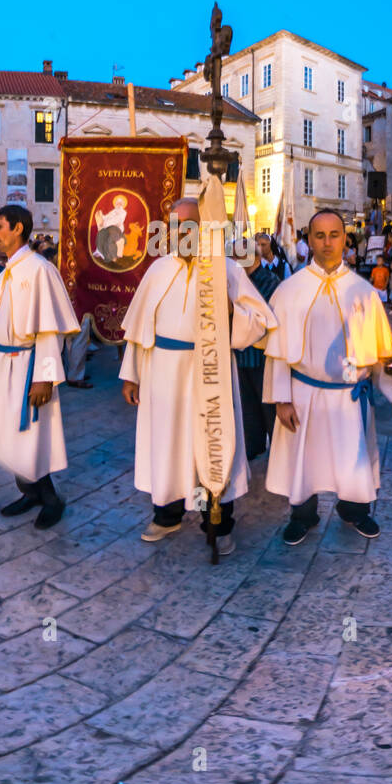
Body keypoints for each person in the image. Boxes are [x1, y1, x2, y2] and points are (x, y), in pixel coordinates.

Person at [120, 198, 277, 542]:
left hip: (211, 371)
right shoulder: (157, 270)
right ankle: (168, 513)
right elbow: (138, 328)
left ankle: (216, 520)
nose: (180, 233)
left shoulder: (226, 270)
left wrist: (232, 314)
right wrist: (131, 374)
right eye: (174, 226)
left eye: (188, 225)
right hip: (163, 374)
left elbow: (261, 321)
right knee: (169, 443)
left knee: (210, 444)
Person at [261, 210, 392, 546]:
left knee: (351, 459)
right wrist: (282, 398)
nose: (327, 243)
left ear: (345, 239)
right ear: (309, 239)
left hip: (348, 396)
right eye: (320, 235)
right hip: (303, 393)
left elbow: (378, 355)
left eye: (334, 234)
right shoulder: (290, 290)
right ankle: (303, 516)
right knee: (303, 460)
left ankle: (354, 511)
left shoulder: (363, 291)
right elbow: (278, 351)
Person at [0, 204, 83, 528]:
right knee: (9, 435)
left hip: (28, 366)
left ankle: (50, 498)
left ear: (18, 228)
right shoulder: (6, 271)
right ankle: (29, 491)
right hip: (3, 364)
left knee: (33, 436)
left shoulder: (39, 269)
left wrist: (44, 378)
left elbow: (49, 329)